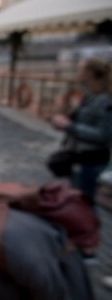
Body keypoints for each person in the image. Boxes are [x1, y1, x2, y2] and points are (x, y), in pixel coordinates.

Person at [50, 57, 112, 204]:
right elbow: (79, 120)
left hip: (91, 159)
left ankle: (86, 225)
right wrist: (63, 110)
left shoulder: (106, 101)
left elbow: (104, 134)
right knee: (76, 196)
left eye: (80, 69)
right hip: (79, 155)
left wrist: (68, 126)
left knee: (84, 201)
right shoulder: (89, 95)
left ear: (90, 73)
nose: (77, 72)